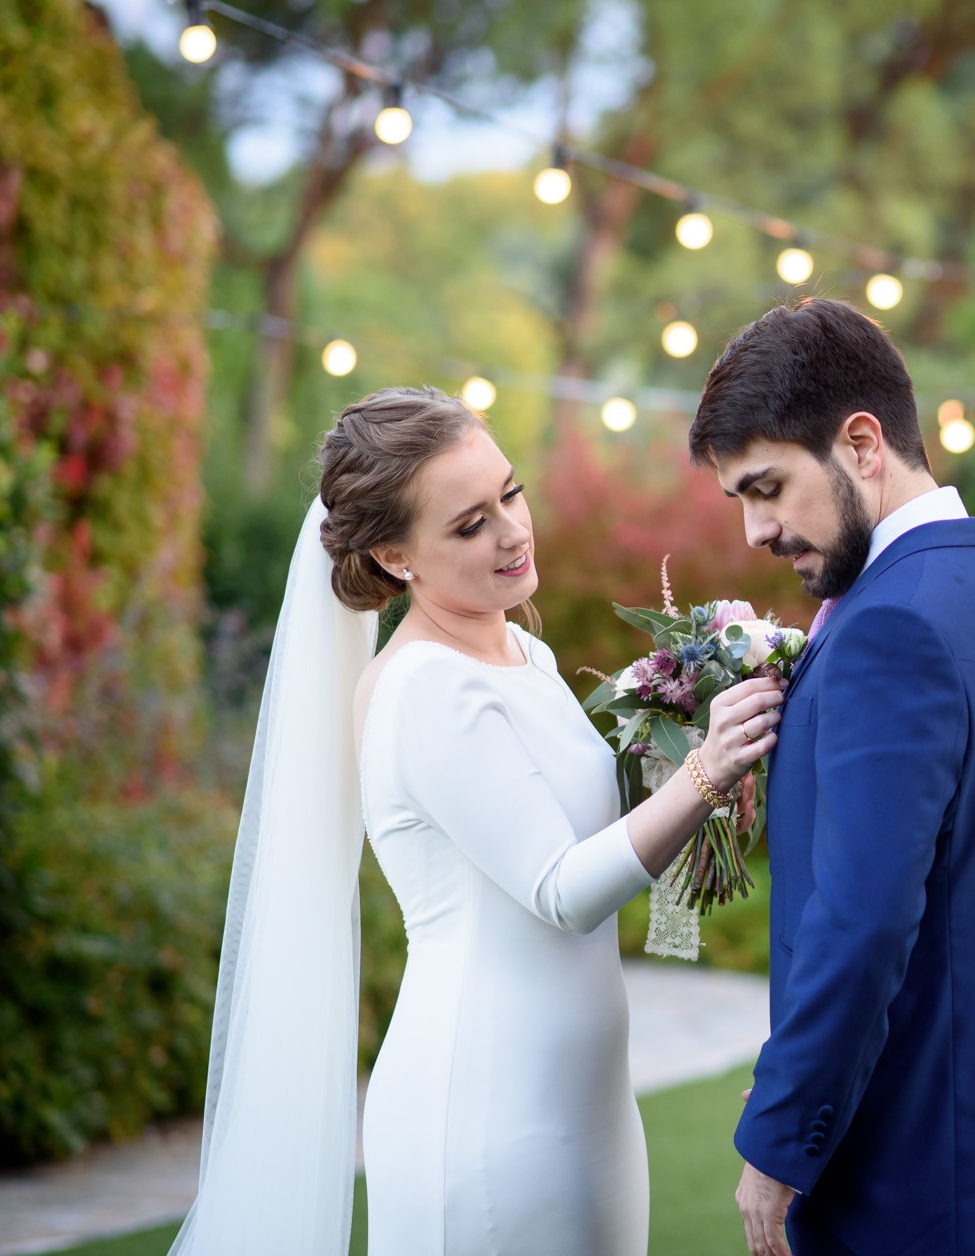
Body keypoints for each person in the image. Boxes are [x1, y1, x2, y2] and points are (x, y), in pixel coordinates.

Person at [170, 386, 784, 1256]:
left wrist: (689, 717)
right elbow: (562, 890)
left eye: (511, 491)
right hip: (489, 1108)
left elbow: (586, 835)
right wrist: (707, 766)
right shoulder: (425, 687)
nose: (511, 530)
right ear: (393, 553)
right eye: (469, 524)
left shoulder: (522, 650)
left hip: (587, 1100)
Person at [689, 299, 975, 1256]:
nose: (755, 530)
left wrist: (782, 1136)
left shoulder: (890, 626)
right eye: (739, 500)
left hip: (918, 1173)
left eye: (769, 486)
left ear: (863, 442)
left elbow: (863, 917)